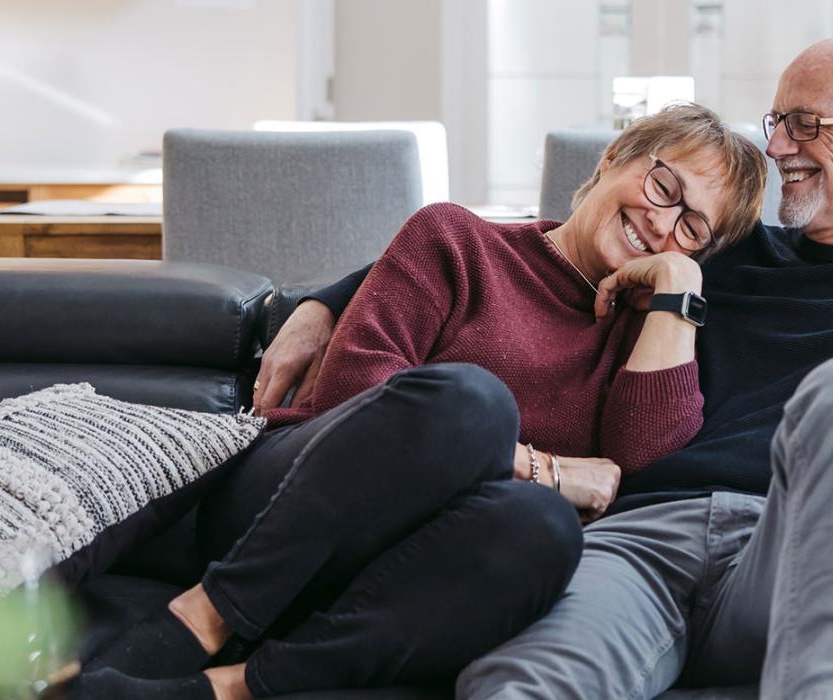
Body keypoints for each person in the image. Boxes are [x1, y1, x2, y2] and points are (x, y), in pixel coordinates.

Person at [263, 36, 833, 699]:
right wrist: (322, 299)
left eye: (808, 125)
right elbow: (529, 249)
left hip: (798, 543)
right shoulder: (715, 246)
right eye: (778, 121)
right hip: (634, 543)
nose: (782, 145)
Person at [79, 103, 769, 700]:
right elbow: (356, 395)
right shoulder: (456, 239)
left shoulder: (650, 336)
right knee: (470, 402)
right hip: (296, 503)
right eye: (662, 185)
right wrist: (547, 469)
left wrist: (676, 290)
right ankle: (204, 618)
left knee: (543, 533)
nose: (662, 222)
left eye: (692, 229)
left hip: (420, 571)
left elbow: (637, 469)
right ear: (616, 157)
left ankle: (235, 686)